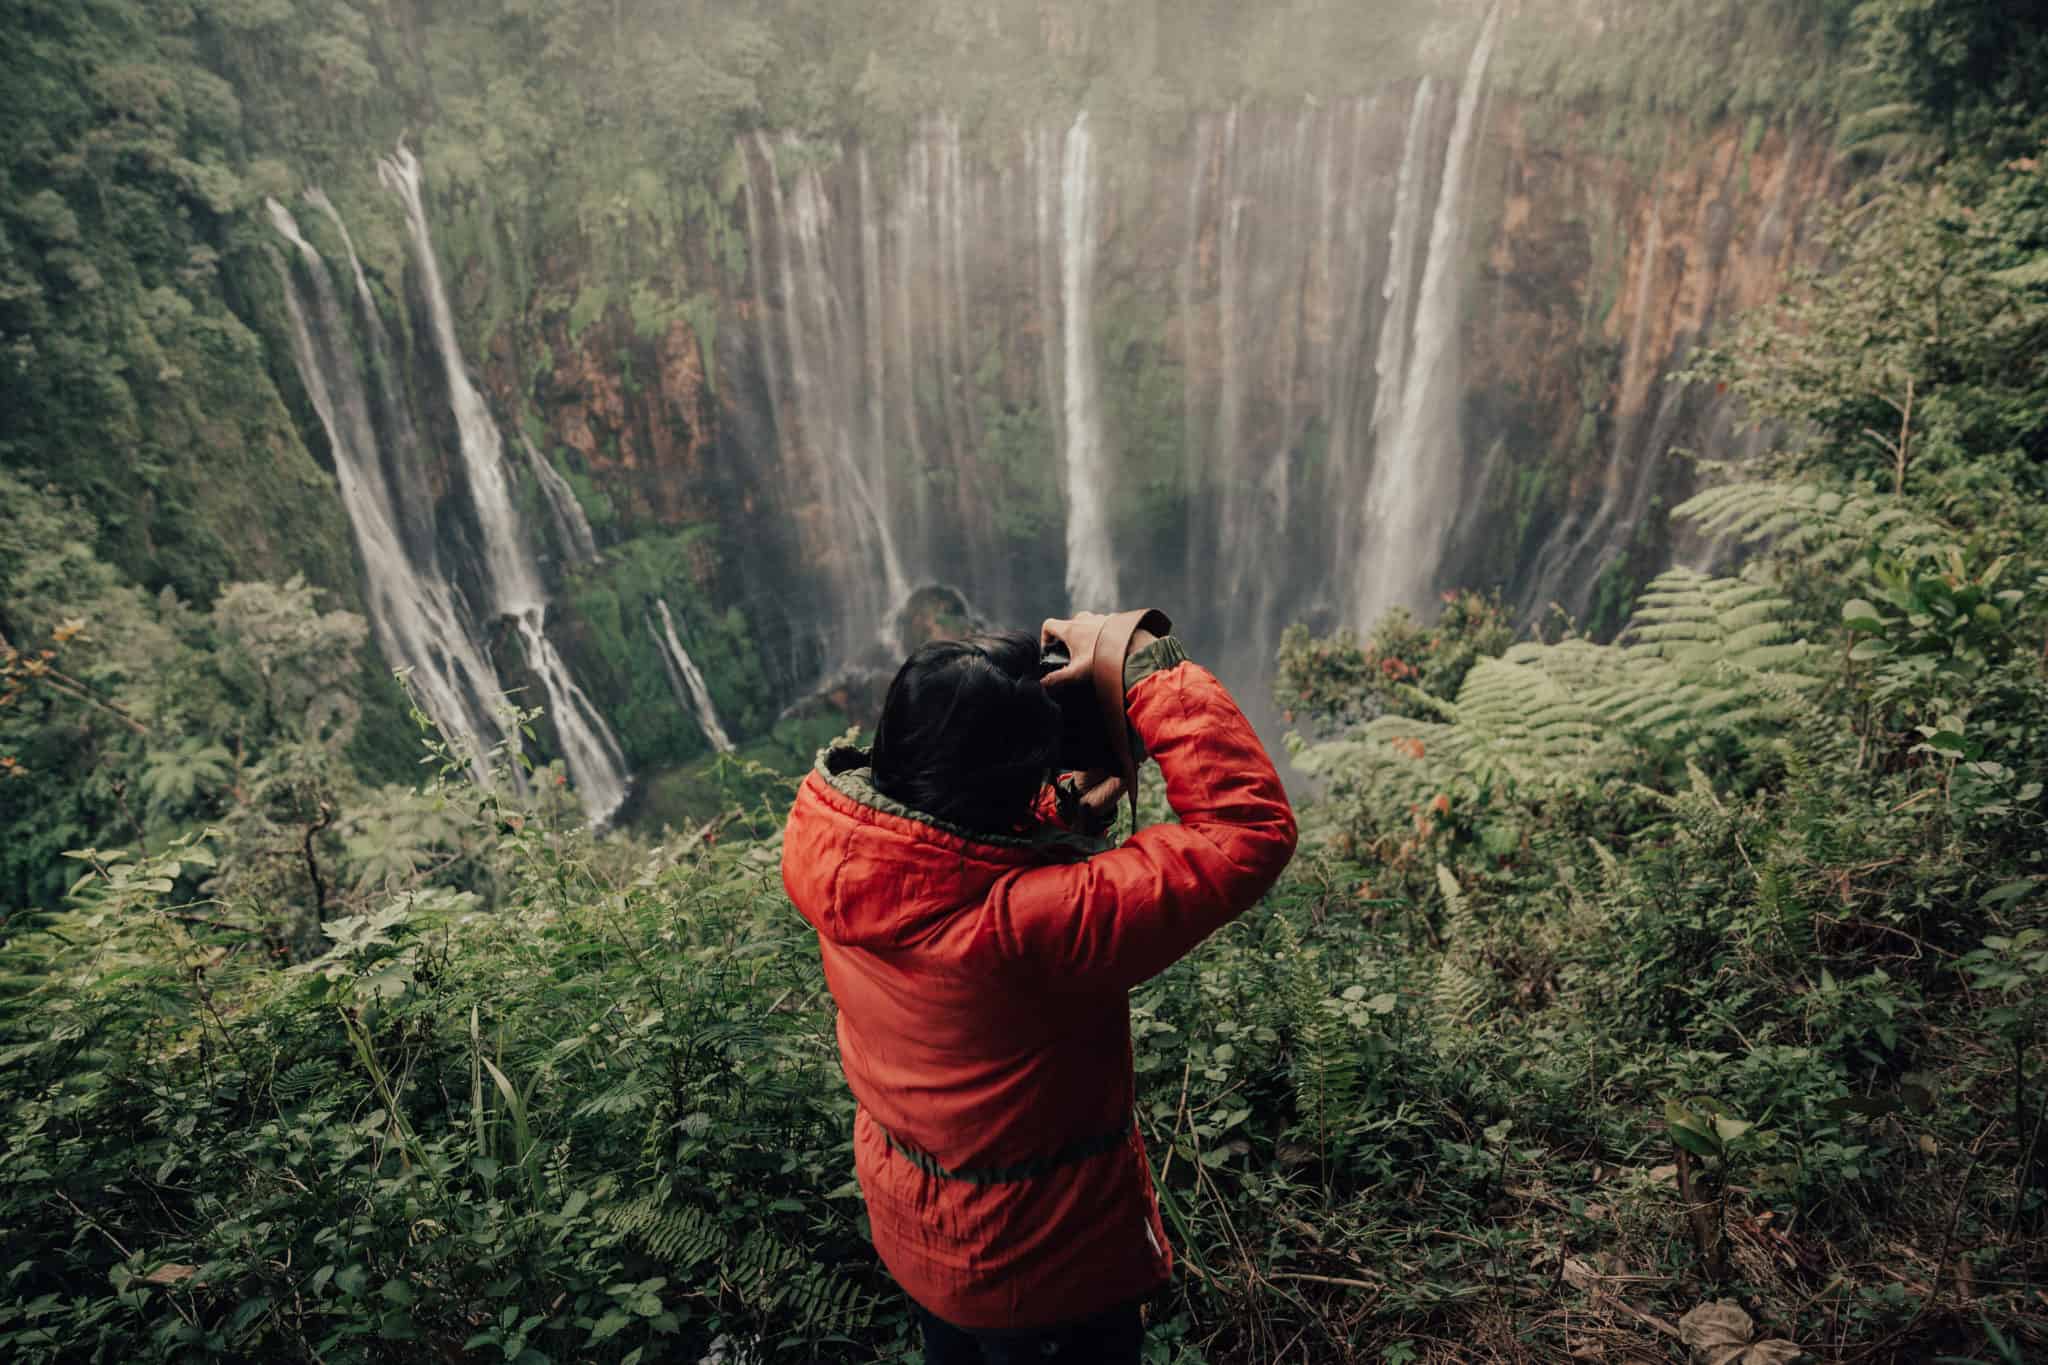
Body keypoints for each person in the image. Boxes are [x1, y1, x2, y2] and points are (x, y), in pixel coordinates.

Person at [780, 611, 1297, 1363]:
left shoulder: (841, 850)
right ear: (1010, 782)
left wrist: (1057, 816)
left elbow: (952, 849)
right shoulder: (1024, 929)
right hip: (1045, 1271)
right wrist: (1151, 665)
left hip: (924, 1238)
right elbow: (1246, 832)